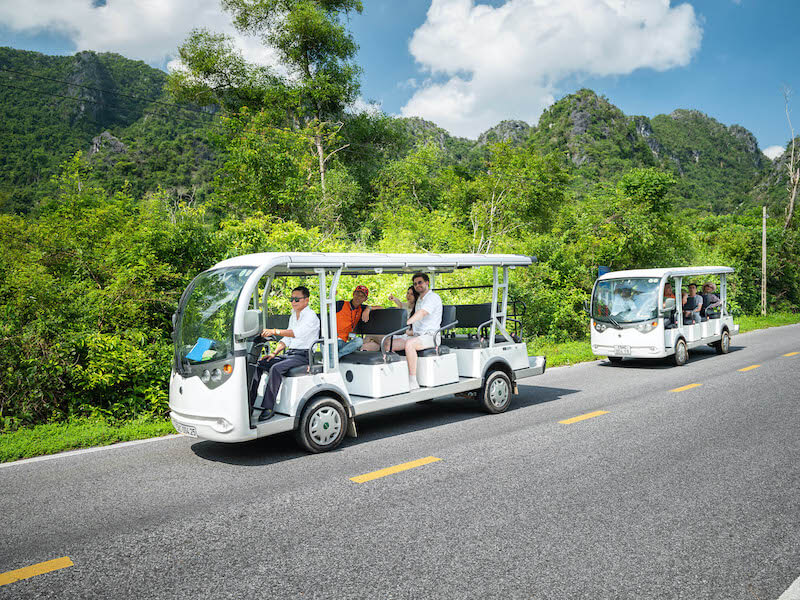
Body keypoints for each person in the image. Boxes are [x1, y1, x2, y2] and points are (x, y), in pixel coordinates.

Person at [248, 286, 319, 421]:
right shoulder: (294, 315)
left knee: (276, 368)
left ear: (306, 300)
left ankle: (269, 407)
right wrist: (274, 353)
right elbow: (287, 338)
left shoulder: (311, 316)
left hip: (304, 356)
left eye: (296, 299)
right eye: (291, 299)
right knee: (260, 364)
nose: (293, 302)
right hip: (291, 354)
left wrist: (274, 331)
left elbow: (295, 333)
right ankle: (249, 404)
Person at [386, 272, 442, 390]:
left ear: (427, 283)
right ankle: (396, 376)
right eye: (415, 284)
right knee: (388, 343)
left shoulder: (432, 298)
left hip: (431, 336)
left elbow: (422, 313)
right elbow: (405, 306)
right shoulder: (420, 300)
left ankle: (412, 380)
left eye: (420, 282)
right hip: (417, 335)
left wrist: (406, 323)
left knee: (410, 344)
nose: (417, 285)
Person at [334, 285, 372, 358]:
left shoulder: (362, 308)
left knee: (359, 341)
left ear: (365, 299)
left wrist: (368, 309)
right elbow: (326, 306)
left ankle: (337, 356)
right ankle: (337, 357)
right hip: (333, 340)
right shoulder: (341, 304)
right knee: (327, 344)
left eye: (362, 296)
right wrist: (330, 297)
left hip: (344, 342)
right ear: (353, 294)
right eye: (357, 294)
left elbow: (381, 307)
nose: (358, 297)